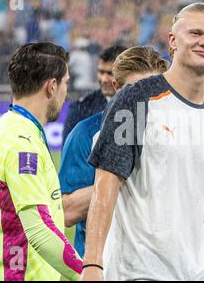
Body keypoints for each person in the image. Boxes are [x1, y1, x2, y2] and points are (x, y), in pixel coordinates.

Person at [81, 2, 204, 281]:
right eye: (195, 33)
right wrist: (93, 264)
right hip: (139, 275)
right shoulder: (136, 99)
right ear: (172, 41)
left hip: (201, 277)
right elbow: (106, 183)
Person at [0, 42, 82, 281]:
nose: (66, 92)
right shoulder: (22, 144)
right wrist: (88, 275)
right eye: (66, 83)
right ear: (51, 87)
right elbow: (40, 230)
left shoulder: (3, 129)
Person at [59, 46, 168, 258]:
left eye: (153, 90)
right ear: (117, 88)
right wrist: (121, 180)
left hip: (160, 264)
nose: (144, 99)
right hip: (103, 263)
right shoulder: (86, 133)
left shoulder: (176, 136)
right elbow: (68, 211)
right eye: (135, 89)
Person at [61, 45, 127, 146]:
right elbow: (69, 155)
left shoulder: (142, 105)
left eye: (110, 73)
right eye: (101, 72)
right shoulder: (81, 108)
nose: (104, 79)